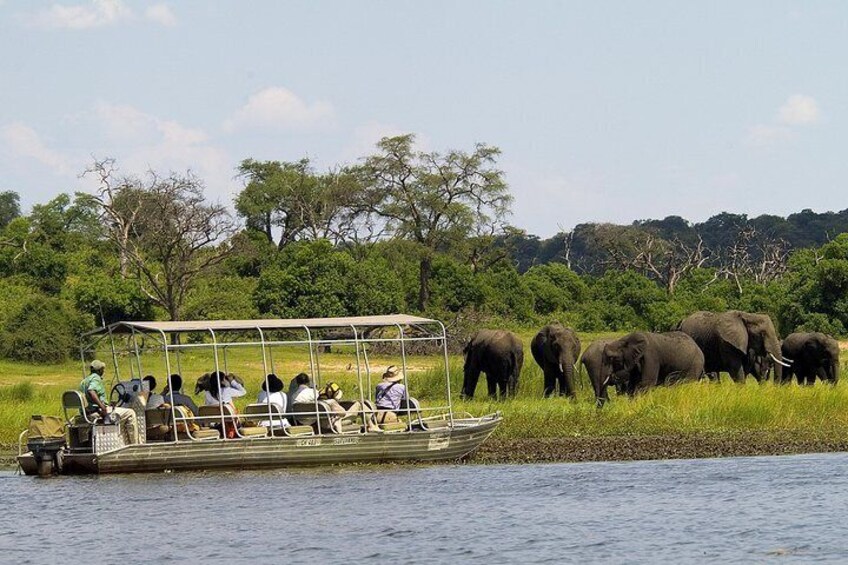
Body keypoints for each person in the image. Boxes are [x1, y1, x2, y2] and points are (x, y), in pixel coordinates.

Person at [79, 360, 140, 443]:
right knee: (130, 413)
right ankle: (135, 443)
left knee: (118, 413)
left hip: (87, 412)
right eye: (102, 369)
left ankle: (121, 440)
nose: (103, 371)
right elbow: (91, 391)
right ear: (99, 370)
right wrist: (103, 407)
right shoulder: (96, 378)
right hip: (98, 411)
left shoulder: (84, 381)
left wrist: (107, 404)